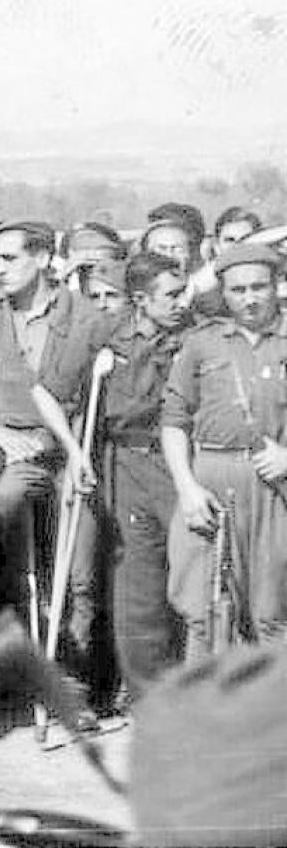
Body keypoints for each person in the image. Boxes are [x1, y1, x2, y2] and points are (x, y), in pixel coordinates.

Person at [0, 221, 118, 710]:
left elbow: (98, 392)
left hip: (68, 452)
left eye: (9, 259)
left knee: (79, 569)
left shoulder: (84, 316)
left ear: (44, 259)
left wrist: (74, 449)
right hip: (9, 449)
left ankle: (73, 679)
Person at [161, 241, 287, 652]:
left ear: (277, 285)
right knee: (205, 611)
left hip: (275, 489)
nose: (249, 299)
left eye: (259, 287)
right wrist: (187, 488)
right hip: (210, 482)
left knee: (272, 612)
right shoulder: (203, 343)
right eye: (238, 290)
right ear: (223, 292)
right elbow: (174, 421)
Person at [103, 252, 192, 693]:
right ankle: (146, 691)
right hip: (128, 465)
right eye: (171, 295)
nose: (181, 302)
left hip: (180, 463)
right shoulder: (108, 338)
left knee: (191, 575)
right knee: (138, 583)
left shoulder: (194, 338)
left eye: (183, 292)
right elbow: (53, 390)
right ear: (141, 299)